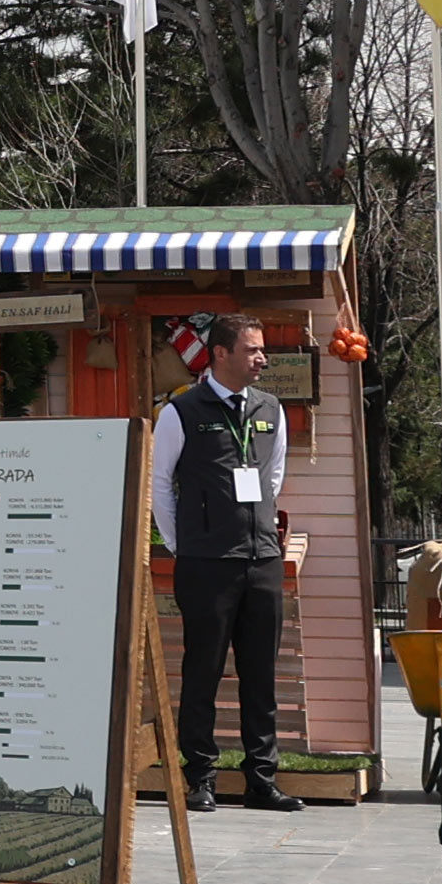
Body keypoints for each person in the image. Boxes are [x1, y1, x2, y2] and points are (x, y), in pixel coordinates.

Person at [145, 311, 302, 811]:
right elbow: (159, 488)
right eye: (253, 349)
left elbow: (273, 477)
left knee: (261, 675)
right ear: (221, 354)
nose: (263, 358)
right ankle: (202, 777)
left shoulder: (270, 408)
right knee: (203, 671)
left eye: (262, 350)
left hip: (261, 560)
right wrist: (182, 544)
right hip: (206, 563)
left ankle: (261, 778)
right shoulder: (181, 411)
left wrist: (256, 530)